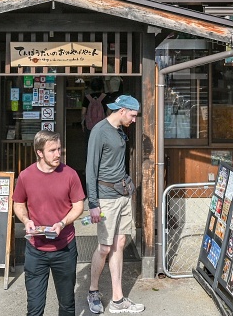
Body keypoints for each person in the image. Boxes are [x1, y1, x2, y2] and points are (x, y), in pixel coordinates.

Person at [13, 130, 86, 316]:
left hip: (64, 248)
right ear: (39, 152)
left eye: (59, 149)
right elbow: (18, 203)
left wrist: (62, 222)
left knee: (67, 305)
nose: (57, 154)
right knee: (34, 308)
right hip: (35, 250)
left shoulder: (70, 174)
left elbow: (78, 206)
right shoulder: (26, 176)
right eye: (52, 150)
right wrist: (26, 220)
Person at [85, 94, 145, 314]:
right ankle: (93, 291)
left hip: (122, 194)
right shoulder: (99, 131)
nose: (134, 119)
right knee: (104, 247)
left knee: (119, 244)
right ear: (121, 111)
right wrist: (93, 202)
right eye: (132, 115)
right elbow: (91, 169)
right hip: (105, 197)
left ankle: (117, 299)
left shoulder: (120, 130)